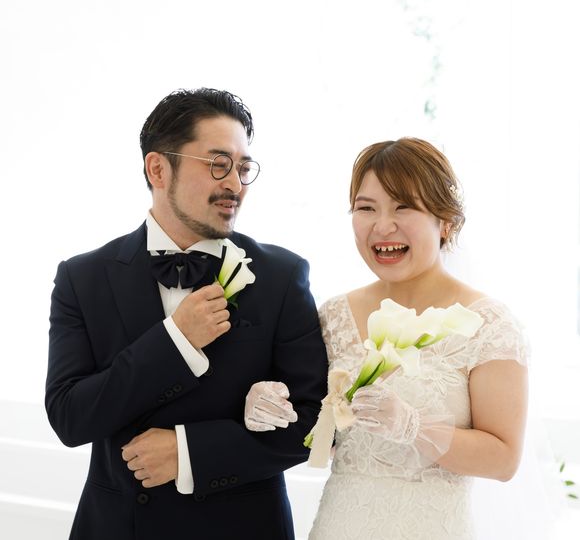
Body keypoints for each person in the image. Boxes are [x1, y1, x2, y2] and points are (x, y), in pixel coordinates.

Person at [45, 88, 328, 540]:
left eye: (243, 168)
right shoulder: (83, 277)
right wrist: (176, 341)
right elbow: (69, 417)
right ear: (158, 168)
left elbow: (316, 421)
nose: (235, 184)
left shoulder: (281, 275)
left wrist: (189, 453)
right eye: (218, 164)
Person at [244, 137, 529, 539]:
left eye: (403, 206)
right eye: (366, 208)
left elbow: (503, 460)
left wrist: (414, 427)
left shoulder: (487, 323)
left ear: (446, 220)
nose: (382, 226)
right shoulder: (333, 316)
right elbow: (317, 435)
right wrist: (267, 407)